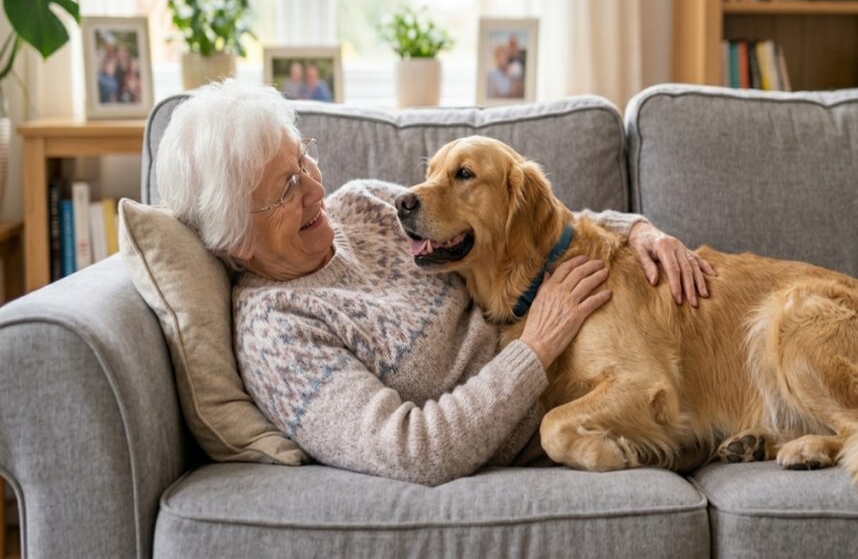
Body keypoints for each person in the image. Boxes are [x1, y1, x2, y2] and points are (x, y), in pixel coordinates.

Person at [155, 80, 715, 486]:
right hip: (559, 403)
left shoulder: (361, 206)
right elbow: (412, 449)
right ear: (237, 240)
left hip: (580, 341)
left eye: (304, 162)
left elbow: (512, 221)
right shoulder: (277, 334)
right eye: (285, 189)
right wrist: (537, 347)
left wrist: (638, 230)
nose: (314, 190)